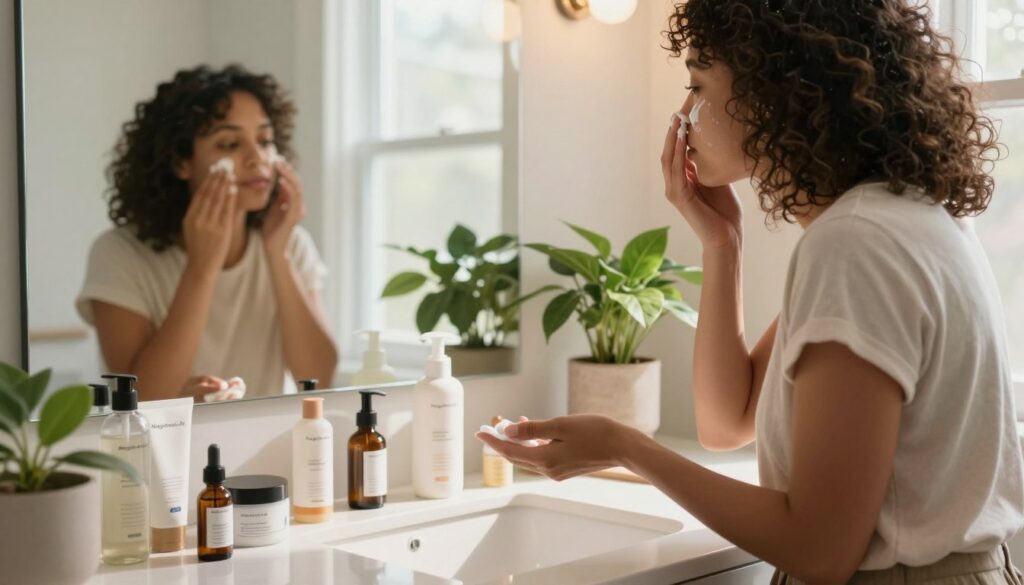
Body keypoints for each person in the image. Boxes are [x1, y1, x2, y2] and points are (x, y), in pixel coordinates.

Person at [477, 1, 1024, 582]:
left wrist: (623, 445)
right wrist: (723, 245)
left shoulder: (855, 244)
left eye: (696, 85)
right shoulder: (897, 219)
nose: (683, 114)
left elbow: (818, 550)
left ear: (774, 90)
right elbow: (727, 420)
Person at [76, 65, 338, 401]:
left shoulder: (290, 244)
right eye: (230, 143)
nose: (257, 158)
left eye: (265, 140)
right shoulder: (119, 254)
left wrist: (278, 255)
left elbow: (318, 378)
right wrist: (201, 266)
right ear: (180, 163)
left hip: (259, 448)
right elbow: (140, 398)